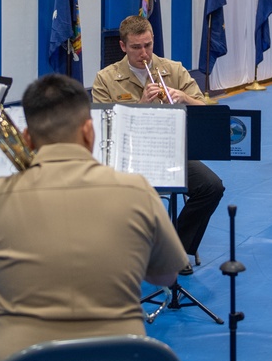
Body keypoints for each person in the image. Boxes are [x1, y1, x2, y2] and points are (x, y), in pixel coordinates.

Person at [0, 73, 188, 361]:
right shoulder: (137, 190)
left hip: (20, 357)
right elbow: (166, 275)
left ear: (27, 138)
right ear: (89, 132)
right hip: (122, 356)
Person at [92, 15, 224, 273]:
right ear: (122, 46)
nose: (144, 53)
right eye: (136, 47)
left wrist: (184, 96)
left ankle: (176, 247)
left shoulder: (173, 69)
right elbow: (104, 129)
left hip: (169, 152)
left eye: (148, 45)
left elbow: (206, 110)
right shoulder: (105, 79)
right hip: (127, 158)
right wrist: (141, 106)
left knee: (212, 187)